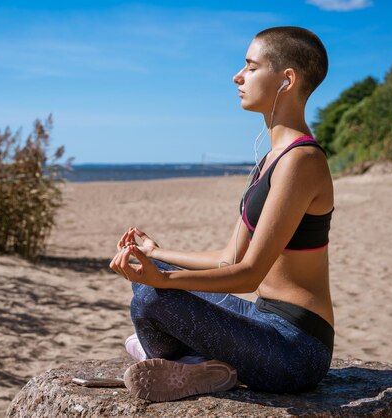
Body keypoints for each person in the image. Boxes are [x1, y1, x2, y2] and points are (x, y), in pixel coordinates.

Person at [109, 26, 334, 402]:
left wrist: (162, 284)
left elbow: (248, 274)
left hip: (295, 350)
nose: (237, 76)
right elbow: (228, 258)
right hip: (261, 323)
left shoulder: (302, 161)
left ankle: (193, 362)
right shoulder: (270, 160)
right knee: (147, 281)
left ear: (286, 80)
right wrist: (155, 254)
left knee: (151, 297)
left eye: (250, 66)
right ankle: (205, 367)